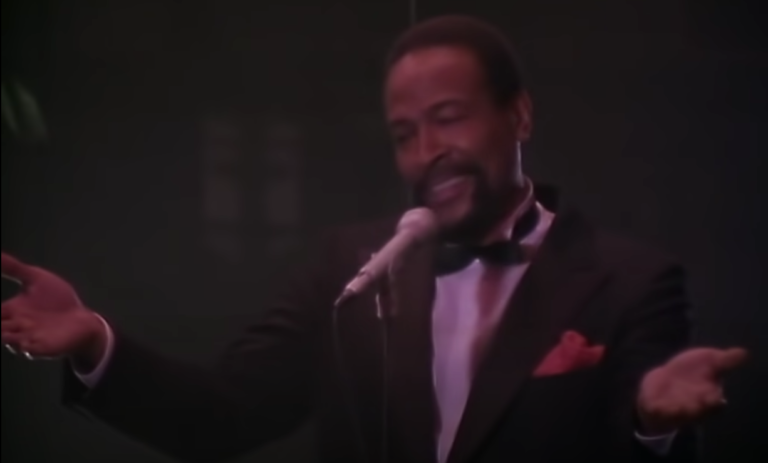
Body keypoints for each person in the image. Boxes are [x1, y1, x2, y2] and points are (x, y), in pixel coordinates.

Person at [0, 15, 747, 463]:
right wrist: (94, 341)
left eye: (449, 117)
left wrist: (653, 424)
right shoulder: (347, 270)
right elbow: (222, 415)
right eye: (403, 133)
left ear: (519, 115)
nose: (427, 152)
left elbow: (643, 437)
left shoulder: (631, 280)